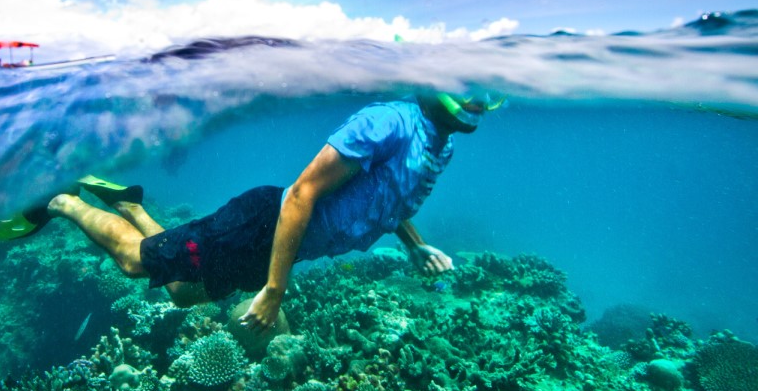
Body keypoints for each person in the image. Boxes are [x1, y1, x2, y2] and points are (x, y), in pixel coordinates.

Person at [29, 93, 492, 332]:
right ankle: (64, 202)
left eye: (493, 94)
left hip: (280, 248)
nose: (482, 102)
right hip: (260, 226)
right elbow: (300, 195)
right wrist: (275, 290)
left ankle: (129, 203)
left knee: (180, 293)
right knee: (135, 262)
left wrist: (414, 246)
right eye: (473, 88)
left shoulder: (439, 144)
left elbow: (389, 199)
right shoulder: (388, 122)